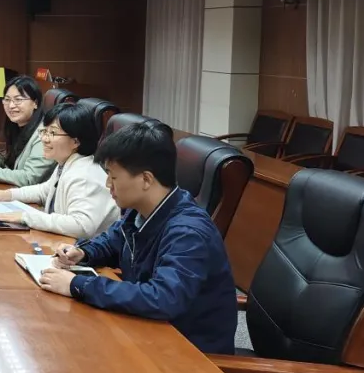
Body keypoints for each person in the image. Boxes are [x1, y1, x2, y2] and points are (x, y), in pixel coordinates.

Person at [38, 121, 237, 354]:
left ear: (146, 180)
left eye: (113, 177)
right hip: (148, 331)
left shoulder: (188, 232)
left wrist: (77, 285)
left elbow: (164, 298)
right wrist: (83, 252)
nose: (107, 185)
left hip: (190, 353)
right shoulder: (141, 211)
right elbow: (113, 241)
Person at [0, 102, 118, 238]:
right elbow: (44, 191)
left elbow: (81, 226)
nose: (44, 139)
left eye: (53, 133)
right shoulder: (68, 162)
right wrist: (6, 195)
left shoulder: (84, 175)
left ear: (76, 141)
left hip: (84, 250)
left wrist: (26, 217)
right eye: (44, 131)